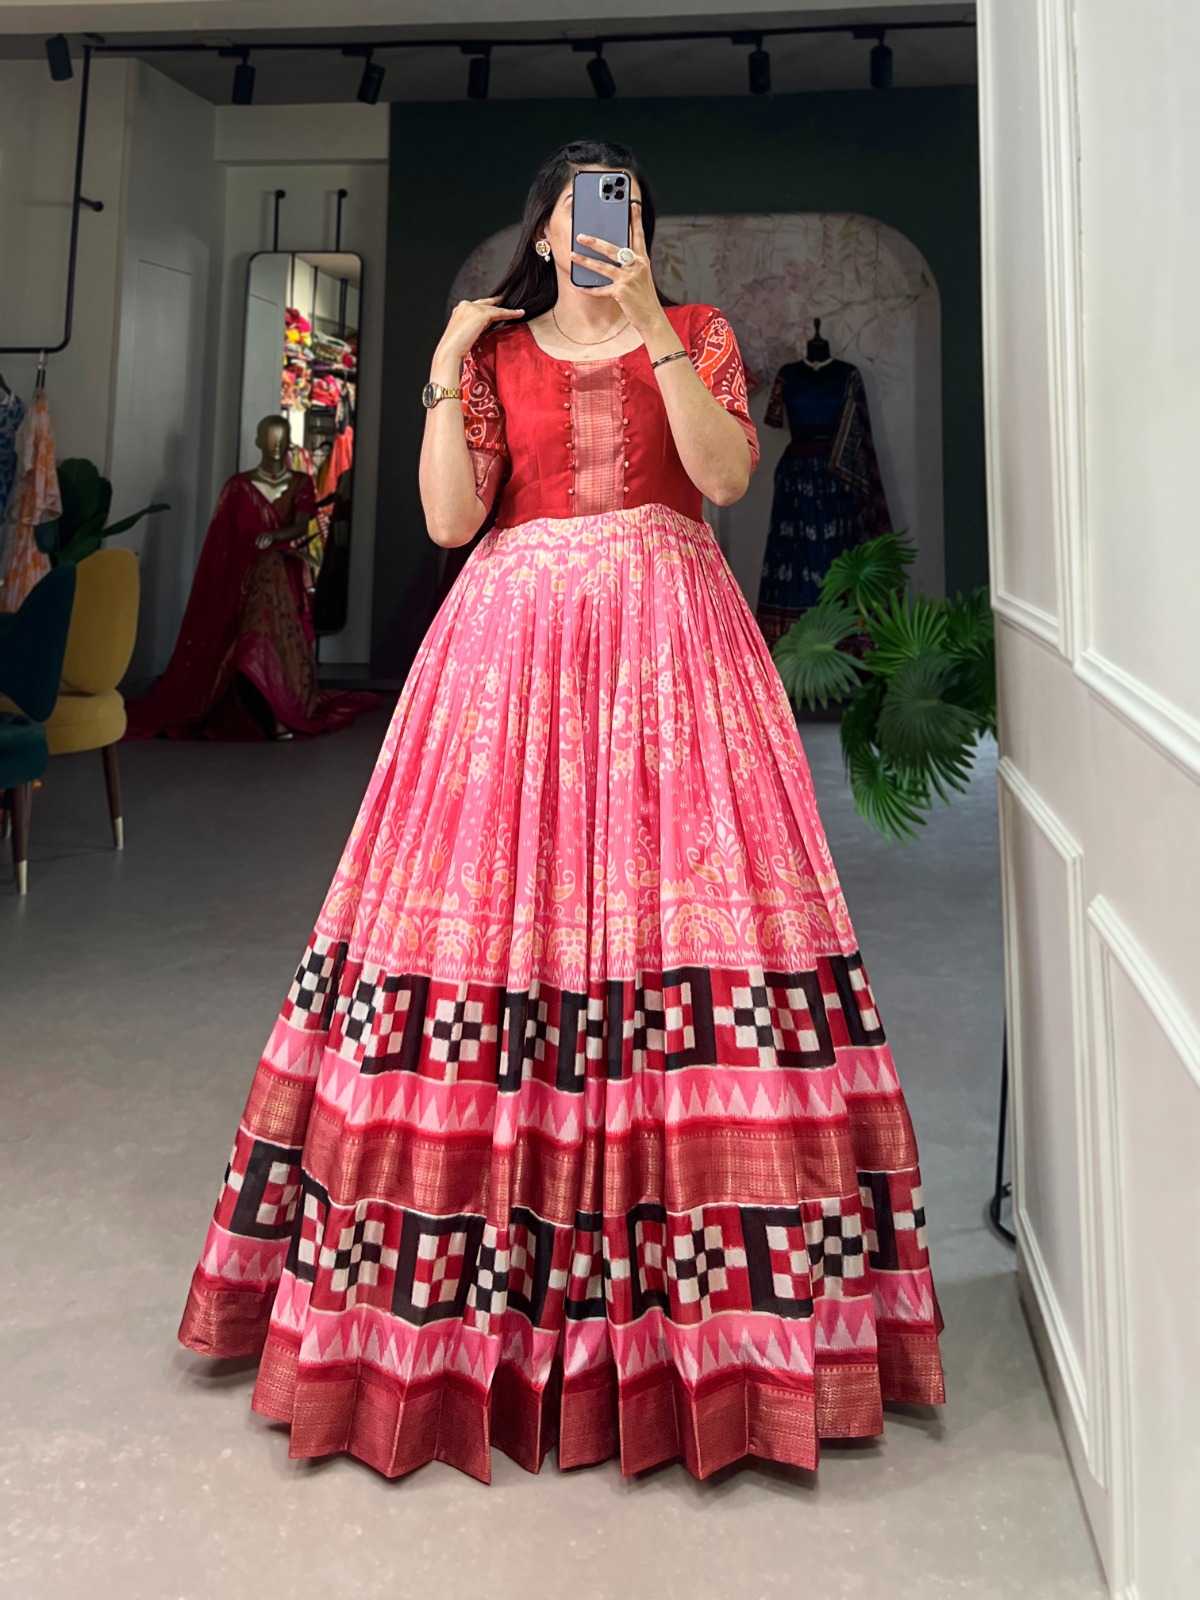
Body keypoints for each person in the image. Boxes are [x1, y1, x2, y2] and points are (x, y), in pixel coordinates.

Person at [177, 139, 946, 1483]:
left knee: (690, 933)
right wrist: (443, 362)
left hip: (676, 662)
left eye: (630, 208)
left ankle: (714, 1333)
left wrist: (654, 324)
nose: (609, 227)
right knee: (491, 943)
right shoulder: (494, 353)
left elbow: (722, 480)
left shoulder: (699, 330)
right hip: (511, 671)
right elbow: (450, 518)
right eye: (590, 211)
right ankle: (468, 1308)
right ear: (543, 231)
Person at [126, 415, 377, 740]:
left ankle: (276, 700)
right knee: (253, 601)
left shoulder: (300, 482)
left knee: (269, 587)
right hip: (242, 571)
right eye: (270, 438)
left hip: (279, 569)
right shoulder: (239, 487)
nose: (276, 446)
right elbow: (223, 540)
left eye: (282, 438)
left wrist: (274, 537)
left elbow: (301, 525)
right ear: (259, 441)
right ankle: (251, 696)